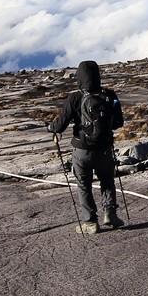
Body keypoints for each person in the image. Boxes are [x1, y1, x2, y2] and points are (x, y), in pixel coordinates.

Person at [50, 60, 124, 233]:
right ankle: (110, 214)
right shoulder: (110, 95)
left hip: (81, 150)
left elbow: (60, 125)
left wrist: (50, 128)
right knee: (107, 181)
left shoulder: (75, 97)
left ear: (79, 77)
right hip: (105, 149)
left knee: (84, 184)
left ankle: (90, 222)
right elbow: (118, 123)